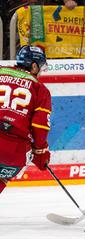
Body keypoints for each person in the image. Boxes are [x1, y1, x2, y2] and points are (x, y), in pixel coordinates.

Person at [0, 45, 51, 195]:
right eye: (40, 67)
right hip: (14, 149)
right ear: (34, 66)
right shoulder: (40, 89)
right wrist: (41, 152)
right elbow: (39, 125)